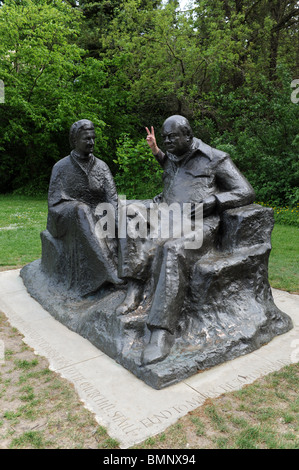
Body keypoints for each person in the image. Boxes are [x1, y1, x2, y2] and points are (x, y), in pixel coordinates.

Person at [116, 115, 255, 366]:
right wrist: (156, 149)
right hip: (167, 213)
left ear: (188, 136)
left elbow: (245, 191)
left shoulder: (216, 159)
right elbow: (169, 165)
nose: (168, 141)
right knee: (127, 211)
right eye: (165, 137)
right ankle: (134, 285)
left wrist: (215, 202)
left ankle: (161, 332)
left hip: (199, 223)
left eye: (172, 137)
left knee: (172, 249)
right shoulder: (172, 156)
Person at [45, 119, 122, 296]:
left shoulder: (101, 167)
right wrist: (81, 210)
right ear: (75, 140)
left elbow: (112, 200)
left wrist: (118, 224)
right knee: (81, 209)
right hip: (63, 219)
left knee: (128, 209)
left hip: (94, 215)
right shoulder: (61, 167)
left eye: (93, 138)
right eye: (87, 139)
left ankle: (129, 268)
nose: (92, 142)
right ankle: (109, 271)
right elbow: (54, 204)